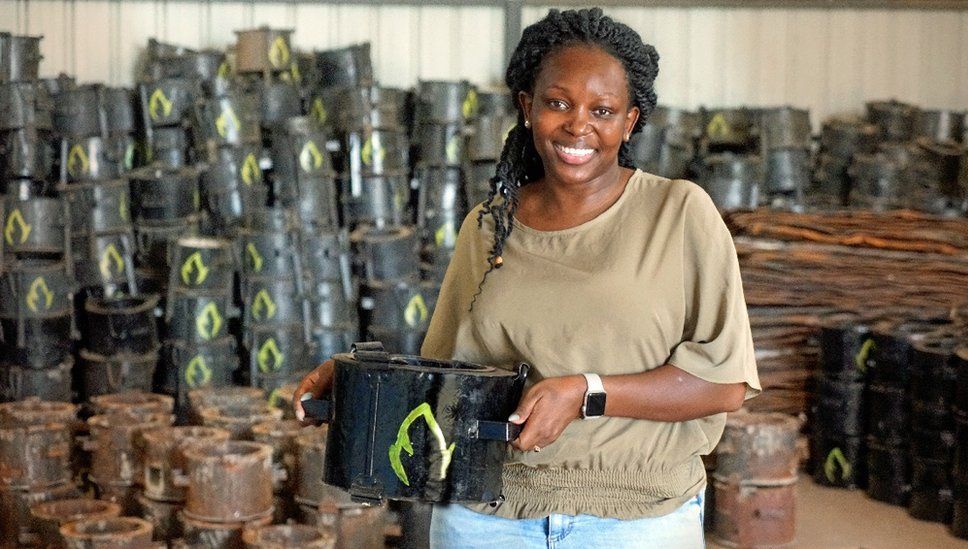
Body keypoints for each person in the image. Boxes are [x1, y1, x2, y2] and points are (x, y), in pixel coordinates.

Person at [295, 7, 760, 548]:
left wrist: (587, 392)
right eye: (557, 103)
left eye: (602, 109)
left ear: (630, 121)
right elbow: (453, 372)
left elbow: (724, 383)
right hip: (487, 514)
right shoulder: (490, 225)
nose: (577, 125)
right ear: (527, 106)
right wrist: (357, 378)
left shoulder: (678, 214)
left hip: (633, 519)